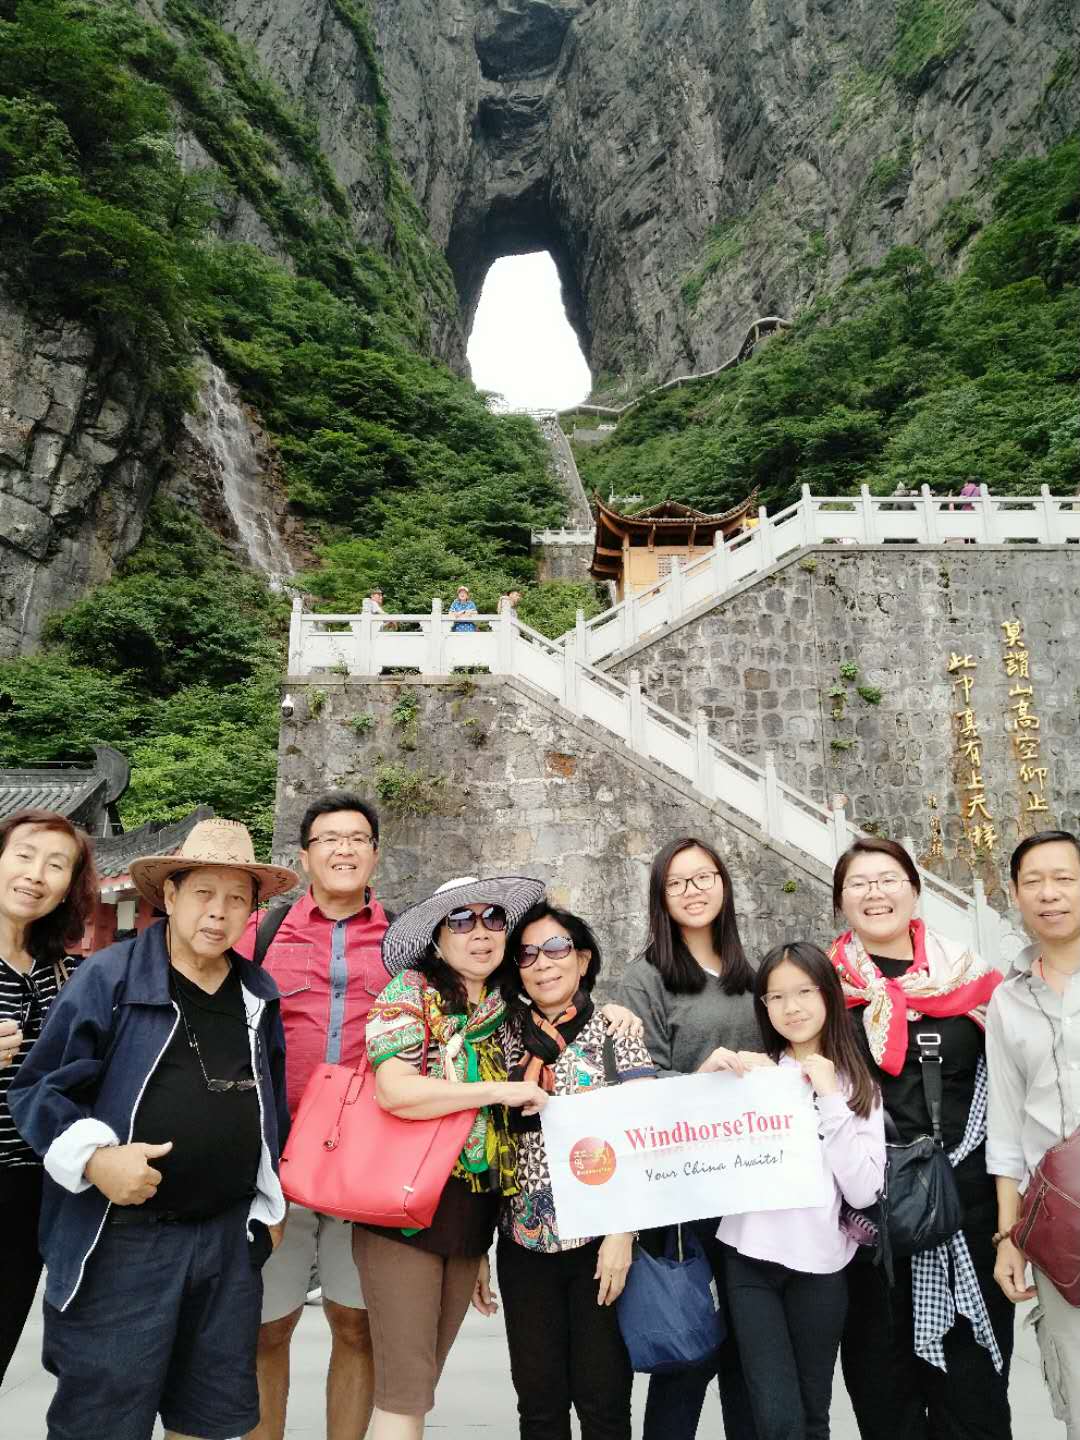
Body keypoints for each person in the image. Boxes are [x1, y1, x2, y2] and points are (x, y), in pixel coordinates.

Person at [9, 818, 298, 1440]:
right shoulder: (110, 977)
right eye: (203, 894)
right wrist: (95, 1160)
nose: (218, 914)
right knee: (104, 1417)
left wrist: (271, 1205)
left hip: (225, 1241)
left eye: (236, 899)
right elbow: (38, 1088)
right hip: (124, 1241)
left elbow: (272, 1106)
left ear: (253, 909)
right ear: (169, 896)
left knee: (210, 1416)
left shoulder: (257, 994)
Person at [354, 875, 549, 1440]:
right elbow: (396, 1091)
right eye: (461, 920)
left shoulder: (505, 1012)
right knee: (405, 1391)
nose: (481, 932)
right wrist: (497, 1090)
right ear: (438, 937)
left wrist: (480, 1249)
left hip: (469, 1215)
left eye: (493, 920)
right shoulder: (410, 993)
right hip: (405, 1211)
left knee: (423, 1381)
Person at [829, 836, 1012, 1440]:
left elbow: (1015, 1095)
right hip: (868, 1233)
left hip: (968, 1217)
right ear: (841, 901)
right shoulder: (821, 992)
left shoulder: (975, 982)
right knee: (886, 1400)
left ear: (915, 890)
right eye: (859, 883)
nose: (875, 893)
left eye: (888, 879)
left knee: (975, 1399)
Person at [235, 794, 392, 1440]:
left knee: (356, 1325)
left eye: (358, 838)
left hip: (364, 1170)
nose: (344, 849)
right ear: (303, 856)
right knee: (267, 1327)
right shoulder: (261, 934)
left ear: (375, 855)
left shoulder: (405, 941)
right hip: (280, 1165)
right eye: (329, 839)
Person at [490, 899, 655, 1440]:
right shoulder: (501, 1035)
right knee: (538, 1405)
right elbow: (487, 1143)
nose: (543, 963)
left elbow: (642, 1134)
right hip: (522, 1240)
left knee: (604, 1402)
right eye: (528, 954)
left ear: (582, 959)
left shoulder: (615, 1029)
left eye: (557, 948)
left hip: (599, 1243)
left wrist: (622, 1233)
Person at [615, 837, 761, 1440]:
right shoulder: (645, 978)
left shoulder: (754, 970)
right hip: (684, 1190)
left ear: (724, 885)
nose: (693, 891)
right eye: (677, 883)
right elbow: (633, 1081)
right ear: (661, 898)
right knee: (688, 1351)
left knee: (750, 1355)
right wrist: (698, 1078)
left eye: (704, 877)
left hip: (755, 1183)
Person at [719, 941, 885, 1440]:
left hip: (822, 1269)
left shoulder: (857, 1085)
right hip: (750, 1260)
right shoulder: (753, 1075)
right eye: (776, 997)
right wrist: (706, 1082)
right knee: (776, 1417)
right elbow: (701, 1150)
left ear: (829, 995)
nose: (792, 1008)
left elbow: (863, 1190)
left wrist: (831, 1096)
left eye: (804, 992)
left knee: (813, 1413)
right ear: (763, 1007)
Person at [988, 830, 1080, 1438]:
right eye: (1033, 882)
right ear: (1015, 895)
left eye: (1064, 878)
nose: (1050, 894)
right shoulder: (1006, 1000)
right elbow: (1007, 1124)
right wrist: (1008, 1234)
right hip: (1060, 1224)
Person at [0, 808, 96, 1383]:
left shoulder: (62, 973)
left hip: (30, 1192)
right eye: (24, 855)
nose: (37, 874)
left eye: (56, 865)